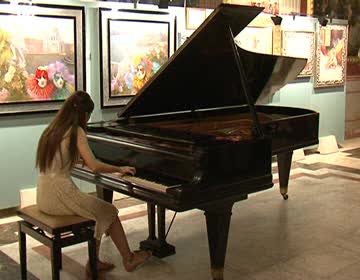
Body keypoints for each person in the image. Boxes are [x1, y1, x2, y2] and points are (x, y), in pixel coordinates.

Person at [35, 90, 151, 278]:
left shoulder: (53, 129)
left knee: (97, 211)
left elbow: (63, 161)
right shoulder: (76, 131)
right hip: (60, 195)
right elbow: (95, 166)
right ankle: (129, 259)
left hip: (44, 195)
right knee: (109, 211)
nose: (88, 120)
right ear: (84, 114)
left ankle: (95, 261)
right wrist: (119, 168)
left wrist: (82, 162)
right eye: (88, 116)